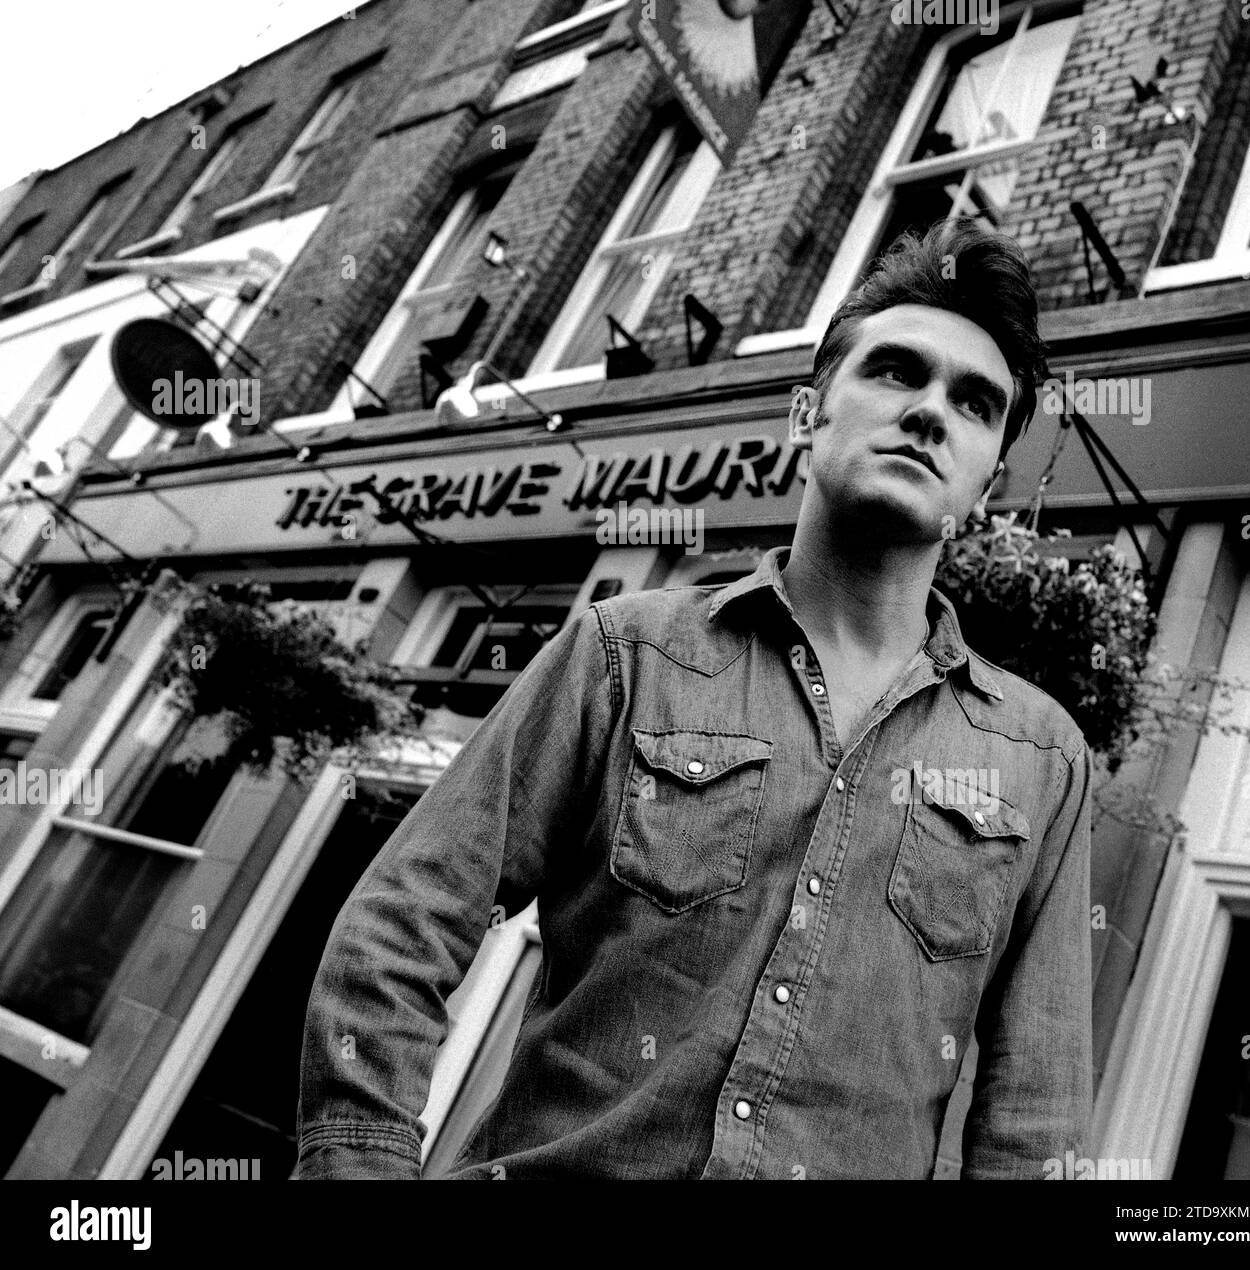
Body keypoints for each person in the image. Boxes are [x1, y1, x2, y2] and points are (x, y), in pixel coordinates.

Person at [295, 218, 1094, 1180]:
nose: (930, 413)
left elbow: (1033, 1122)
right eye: (895, 372)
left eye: (974, 403)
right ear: (807, 415)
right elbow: (398, 929)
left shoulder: (1043, 761)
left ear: (990, 477)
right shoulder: (626, 654)